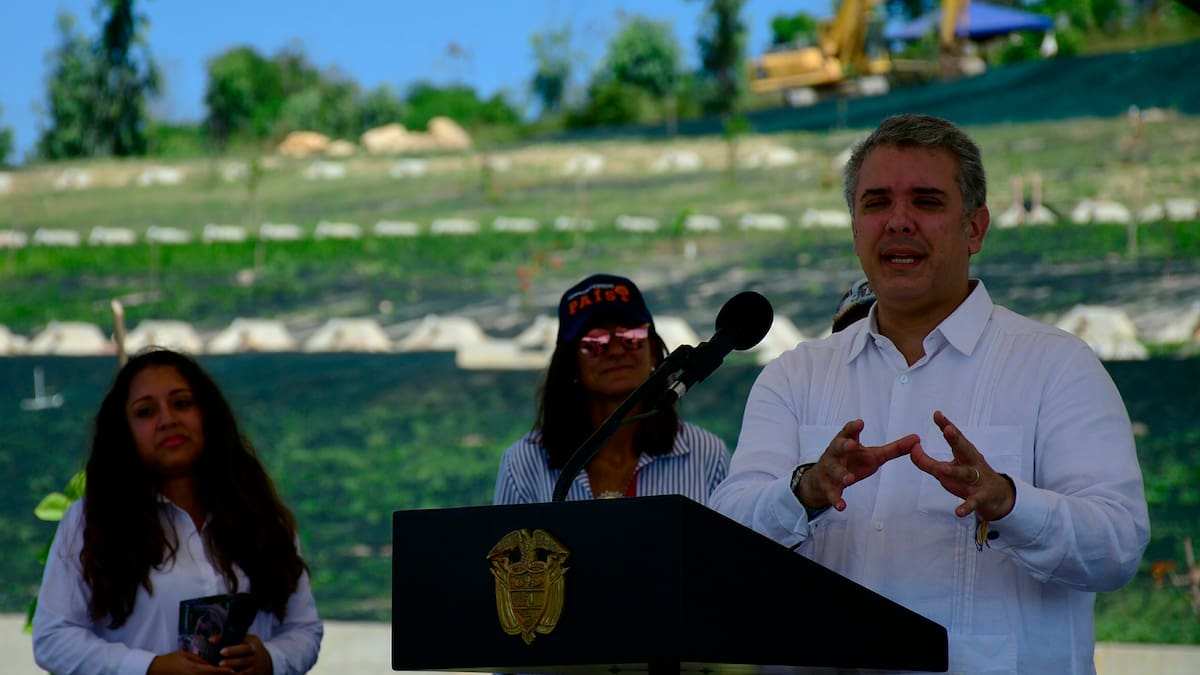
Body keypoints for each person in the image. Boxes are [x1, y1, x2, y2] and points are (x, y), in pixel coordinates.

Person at [710, 113, 1149, 674]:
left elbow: (1117, 545)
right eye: (876, 203)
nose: (898, 221)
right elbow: (724, 539)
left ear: (975, 229)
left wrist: (1009, 503)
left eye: (926, 201)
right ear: (855, 229)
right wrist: (804, 491)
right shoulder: (793, 376)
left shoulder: (1058, 366)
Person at [33, 348, 323, 675]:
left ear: (208, 413)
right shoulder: (91, 521)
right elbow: (53, 639)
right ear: (124, 430)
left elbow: (304, 630)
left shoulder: (261, 515)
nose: (168, 420)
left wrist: (270, 659)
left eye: (182, 403)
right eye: (145, 412)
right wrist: (150, 668)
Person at [494, 273, 730, 504]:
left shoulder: (707, 455)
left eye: (631, 336)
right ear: (570, 363)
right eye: (595, 342)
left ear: (653, 352)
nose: (616, 351)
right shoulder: (523, 464)